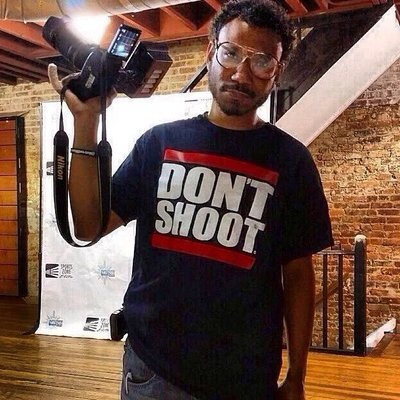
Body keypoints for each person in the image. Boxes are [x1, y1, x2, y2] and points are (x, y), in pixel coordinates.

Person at [48, 0, 333, 399]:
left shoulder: (292, 161)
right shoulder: (159, 143)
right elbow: (88, 226)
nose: (240, 73)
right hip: (155, 372)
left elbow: (299, 274)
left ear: (277, 71)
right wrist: (85, 122)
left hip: (246, 378)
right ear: (210, 52)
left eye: (261, 61)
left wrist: (298, 375)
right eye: (230, 52)